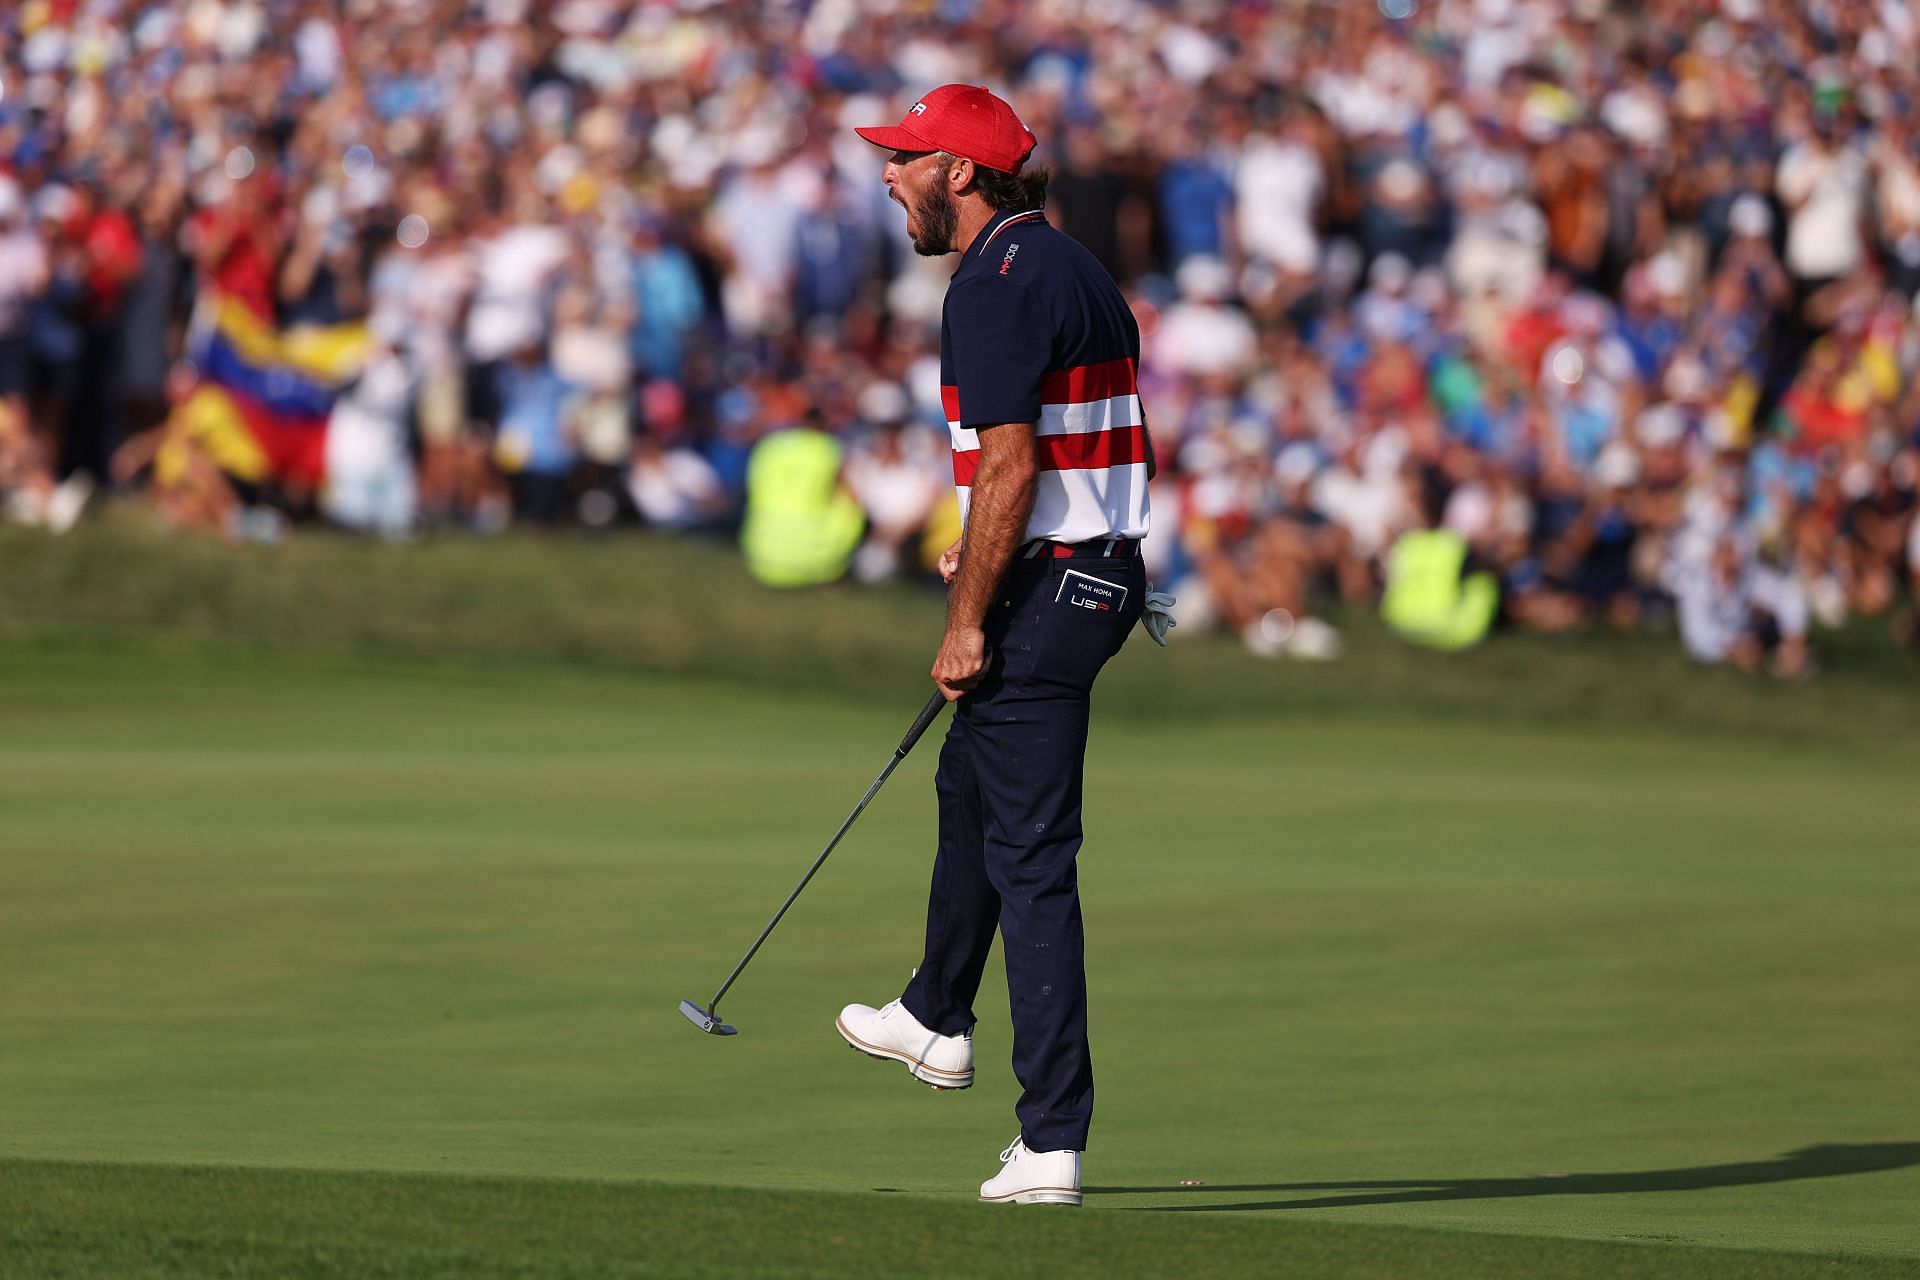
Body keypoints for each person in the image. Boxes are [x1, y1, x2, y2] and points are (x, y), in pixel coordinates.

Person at [837, 84, 1156, 1208]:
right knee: (968, 781)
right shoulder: (1067, 265)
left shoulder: (990, 283)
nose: (889, 175)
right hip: (1092, 569)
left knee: (1030, 857)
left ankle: (1052, 1138)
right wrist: (984, 558)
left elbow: (1015, 467)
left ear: (960, 173)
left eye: (906, 157)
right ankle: (934, 1012)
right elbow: (1065, 455)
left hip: (1055, 582)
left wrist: (967, 617)